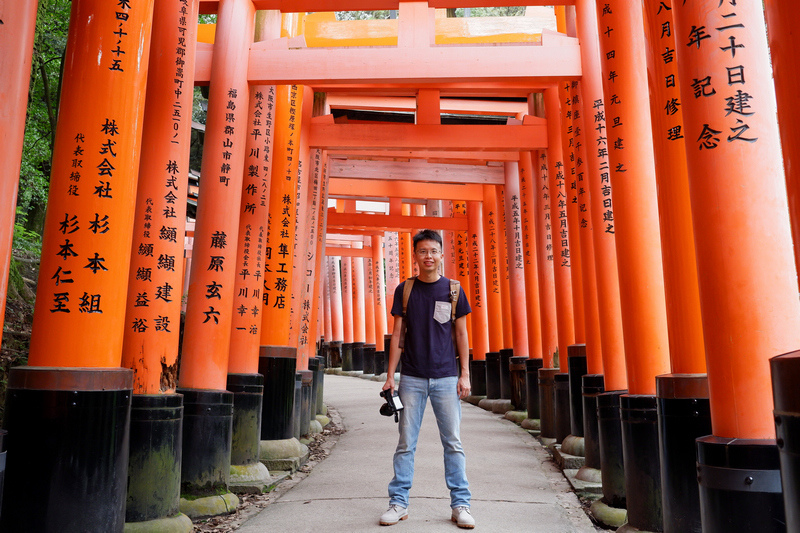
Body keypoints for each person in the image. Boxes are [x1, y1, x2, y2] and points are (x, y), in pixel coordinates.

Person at [379, 229, 475, 529]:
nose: (429, 256)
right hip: (412, 378)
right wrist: (390, 376)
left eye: (433, 251)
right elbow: (397, 334)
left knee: (454, 443)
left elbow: (461, 334)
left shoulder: (453, 290)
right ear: (416, 256)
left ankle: (461, 505)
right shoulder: (405, 290)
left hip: (446, 377)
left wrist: (465, 375)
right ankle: (398, 504)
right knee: (406, 443)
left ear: (441, 254)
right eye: (423, 251)